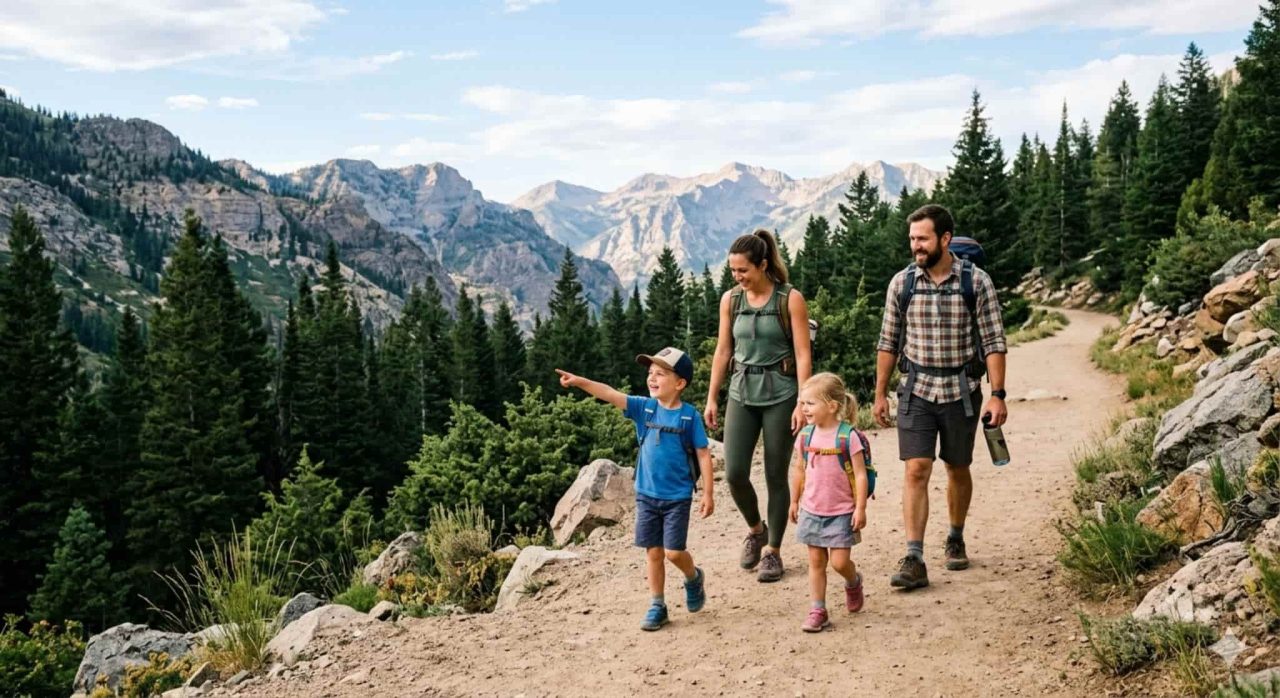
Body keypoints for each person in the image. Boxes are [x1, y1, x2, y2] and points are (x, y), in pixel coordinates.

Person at [872, 204, 1008, 591]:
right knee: (916, 468)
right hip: (915, 390)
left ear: (945, 239)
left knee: (956, 467)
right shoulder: (902, 283)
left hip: (961, 391)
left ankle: (955, 534)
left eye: (923, 239)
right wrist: (880, 393)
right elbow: (887, 341)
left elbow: (994, 342)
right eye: (912, 239)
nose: (915, 246)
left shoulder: (976, 282)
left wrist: (997, 395)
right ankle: (914, 555)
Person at [557, 346, 714, 631]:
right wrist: (580, 381)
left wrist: (708, 493)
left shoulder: (689, 417)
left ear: (680, 383)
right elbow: (609, 393)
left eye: (661, 374)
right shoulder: (644, 407)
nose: (652, 378)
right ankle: (657, 605)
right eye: (650, 373)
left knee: (673, 553)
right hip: (646, 495)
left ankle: (693, 577)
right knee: (653, 553)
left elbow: (703, 453)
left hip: (677, 497)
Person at [705, 229, 813, 583]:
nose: (737, 278)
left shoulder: (789, 299)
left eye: (743, 271)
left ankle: (774, 551)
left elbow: (802, 353)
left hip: (781, 393)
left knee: (774, 474)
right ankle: (756, 528)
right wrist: (712, 397)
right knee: (735, 472)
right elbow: (723, 351)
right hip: (741, 391)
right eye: (733, 271)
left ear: (763, 265)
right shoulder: (730, 301)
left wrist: (803, 400)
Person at [788, 373, 868, 632]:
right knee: (816, 562)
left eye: (810, 403)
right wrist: (794, 501)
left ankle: (853, 581)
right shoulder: (805, 436)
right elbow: (799, 470)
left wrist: (860, 507)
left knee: (840, 563)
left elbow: (860, 473)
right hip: (812, 509)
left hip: (842, 511)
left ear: (832, 406)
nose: (804, 409)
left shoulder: (848, 437)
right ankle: (818, 609)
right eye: (802, 403)